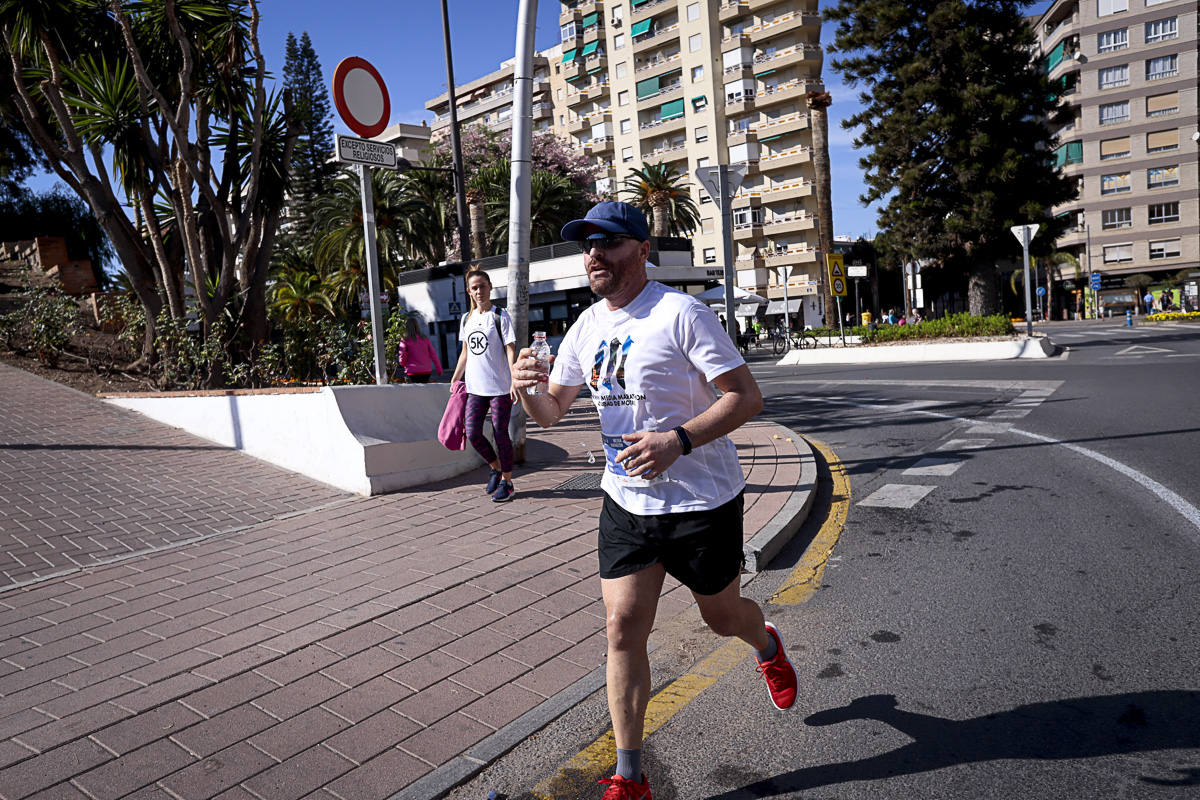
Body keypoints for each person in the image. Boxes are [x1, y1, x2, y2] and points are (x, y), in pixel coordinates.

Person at [511, 202, 797, 800]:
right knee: (621, 629)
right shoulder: (586, 327)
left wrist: (679, 440)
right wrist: (527, 392)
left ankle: (766, 643)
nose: (594, 254)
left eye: (609, 242)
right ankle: (630, 777)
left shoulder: (681, 313)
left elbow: (747, 398)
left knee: (721, 618)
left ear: (641, 250)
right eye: (586, 244)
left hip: (702, 501)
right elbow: (553, 410)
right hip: (626, 503)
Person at [450, 269, 519, 502]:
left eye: (483, 286)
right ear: (469, 291)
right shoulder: (466, 319)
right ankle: (496, 467)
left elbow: (510, 349)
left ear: (490, 287)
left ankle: (507, 483)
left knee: (500, 432)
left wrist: (513, 381)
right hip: (475, 389)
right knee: (472, 433)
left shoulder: (500, 316)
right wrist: (455, 378)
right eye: (475, 288)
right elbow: (465, 353)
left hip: (500, 388)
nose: (479, 291)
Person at [396, 316, 443, 383]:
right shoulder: (425, 338)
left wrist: (402, 363)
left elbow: (402, 354)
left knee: (414, 392)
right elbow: (433, 355)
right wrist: (439, 370)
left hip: (412, 372)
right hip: (426, 371)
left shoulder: (405, 340)